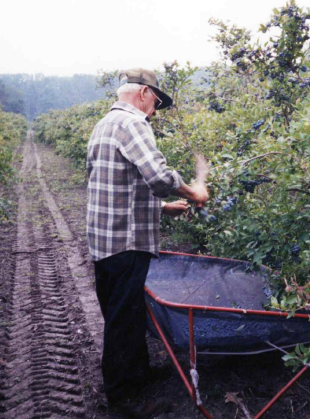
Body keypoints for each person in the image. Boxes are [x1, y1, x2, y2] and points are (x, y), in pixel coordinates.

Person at [86, 68, 209, 416]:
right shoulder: (133, 123)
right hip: (126, 242)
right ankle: (125, 399)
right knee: (124, 321)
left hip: (105, 240)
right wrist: (192, 190)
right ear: (143, 93)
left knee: (123, 313)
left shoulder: (104, 125)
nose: (154, 111)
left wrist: (162, 206)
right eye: (156, 102)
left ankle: (136, 375)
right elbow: (157, 174)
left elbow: (116, 182)